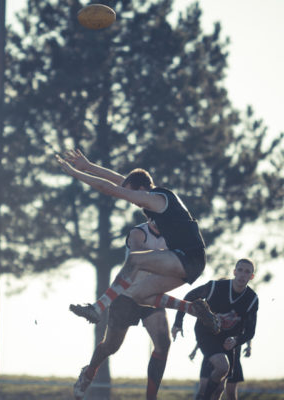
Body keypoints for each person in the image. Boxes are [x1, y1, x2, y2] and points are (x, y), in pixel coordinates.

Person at [56, 149, 220, 334]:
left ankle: (97, 308)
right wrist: (89, 167)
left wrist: (75, 173)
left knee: (135, 259)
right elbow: (120, 181)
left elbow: (109, 189)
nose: (132, 202)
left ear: (141, 189)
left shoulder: (155, 199)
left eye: (132, 195)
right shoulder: (152, 196)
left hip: (189, 258)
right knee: (138, 295)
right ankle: (194, 308)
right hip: (186, 263)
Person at [74, 218, 171, 400]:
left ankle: (151, 397)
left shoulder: (173, 234)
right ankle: (88, 373)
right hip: (127, 296)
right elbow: (139, 256)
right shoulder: (138, 233)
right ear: (148, 216)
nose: (158, 220)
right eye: (153, 216)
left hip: (151, 294)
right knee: (111, 346)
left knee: (163, 343)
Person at [171, 258, 258, 400]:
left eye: (247, 272)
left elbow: (250, 331)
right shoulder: (215, 287)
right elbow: (189, 296)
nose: (243, 274)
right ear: (234, 272)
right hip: (206, 333)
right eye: (240, 270)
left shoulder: (252, 299)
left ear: (251, 276)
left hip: (228, 341)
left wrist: (236, 340)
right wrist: (178, 322)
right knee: (222, 367)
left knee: (219, 390)